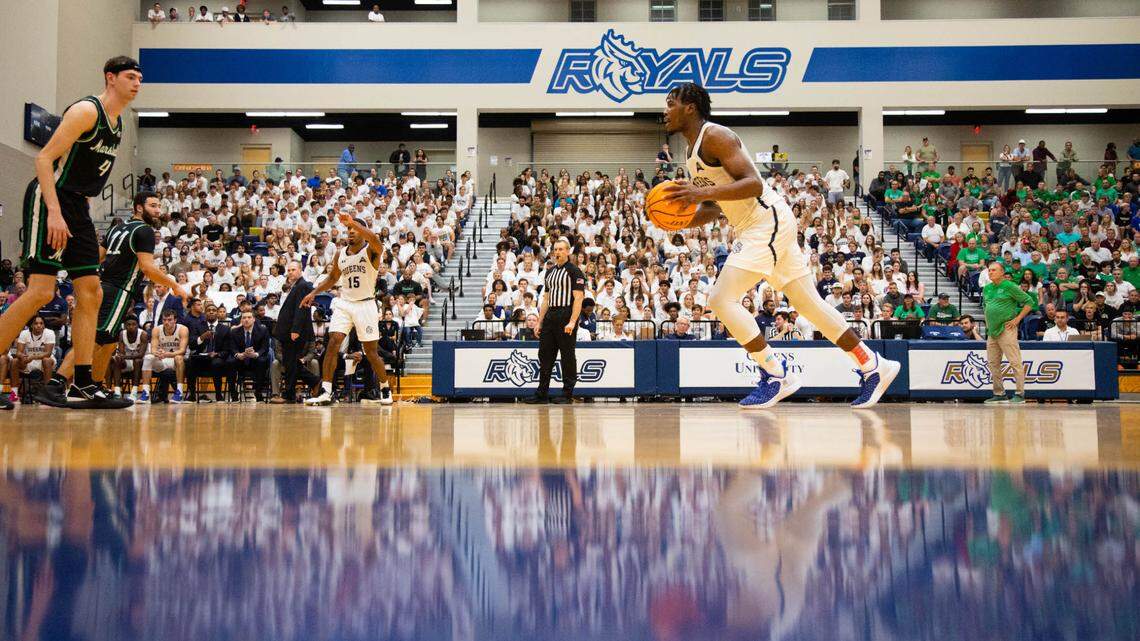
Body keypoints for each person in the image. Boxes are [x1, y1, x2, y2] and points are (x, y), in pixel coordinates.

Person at [659, 83, 899, 409]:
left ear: (689, 107)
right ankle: (873, 365)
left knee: (720, 298)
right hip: (757, 226)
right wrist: (680, 221)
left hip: (765, 222)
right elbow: (718, 207)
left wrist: (697, 194)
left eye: (670, 103)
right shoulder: (690, 155)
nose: (665, 110)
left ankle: (776, 374)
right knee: (811, 306)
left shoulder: (716, 136)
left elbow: (754, 183)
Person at [0, 56, 141, 410]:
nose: (137, 83)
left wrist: (76, 216)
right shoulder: (85, 111)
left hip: (78, 207)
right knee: (40, 293)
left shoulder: (118, 122)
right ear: (111, 78)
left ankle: (83, 383)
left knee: (90, 293)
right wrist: (54, 212)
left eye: (140, 78)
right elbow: (44, 159)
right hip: (52, 199)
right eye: (130, 77)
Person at [39, 192, 186, 408]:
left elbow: (97, 257)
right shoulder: (144, 230)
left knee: (108, 342)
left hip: (104, 287)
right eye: (153, 205)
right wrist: (175, 285)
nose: (158, 210)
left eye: (159, 206)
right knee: (97, 339)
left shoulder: (116, 228)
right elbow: (147, 267)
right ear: (138, 208)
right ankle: (55, 383)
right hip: (119, 290)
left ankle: (94, 387)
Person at [302, 214, 393, 406]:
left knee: (371, 352)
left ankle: (385, 389)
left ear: (362, 232)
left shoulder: (371, 251)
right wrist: (314, 293)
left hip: (366, 304)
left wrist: (353, 222)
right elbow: (333, 278)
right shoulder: (340, 254)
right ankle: (326, 391)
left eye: (355, 229)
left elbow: (376, 239)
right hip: (345, 303)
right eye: (348, 229)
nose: (350, 232)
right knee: (333, 342)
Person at [524, 238, 585, 404]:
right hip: (551, 315)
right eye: (555, 249)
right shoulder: (550, 272)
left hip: (566, 314)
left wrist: (572, 321)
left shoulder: (575, 272)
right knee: (544, 355)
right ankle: (542, 393)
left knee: (567, 355)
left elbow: (578, 299)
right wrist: (539, 321)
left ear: (568, 252)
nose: (557, 252)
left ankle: (567, 393)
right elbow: (546, 299)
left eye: (560, 249)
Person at [982, 261, 1036, 404]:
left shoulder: (1010, 286)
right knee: (993, 363)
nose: (990, 272)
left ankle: (1020, 393)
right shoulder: (986, 288)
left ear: (1002, 272)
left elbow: (1029, 301)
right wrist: (988, 324)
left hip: (1007, 329)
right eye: (989, 270)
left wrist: (1017, 319)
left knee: (1014, 361)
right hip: (992, 331)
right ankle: (999, 393)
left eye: (994, 270)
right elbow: (986, 307)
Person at [272, 261, 319, 403]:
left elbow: (301, 309)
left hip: (294, 332)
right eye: (289, 270)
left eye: (293, 269)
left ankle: (290, 394)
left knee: (291, 363)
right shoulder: (297, 286)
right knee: (291, 363)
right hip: (289, 331)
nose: (290, 272)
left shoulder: (303, 285)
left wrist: (295, 330)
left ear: (300, 270)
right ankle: (313, 382)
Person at [227, 310, 269, 401]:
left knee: (262, 361)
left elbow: (265, 348)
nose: (246, 320)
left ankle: (258, 392)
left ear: (254, 319)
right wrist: (238, 354)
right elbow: (232, 348)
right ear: (241, 320)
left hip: (255, 360)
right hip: (240, 361)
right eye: (244, 318)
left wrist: (256, 354)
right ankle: (233, 394)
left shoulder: (262, 330)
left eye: (249, 317)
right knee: (230, 362)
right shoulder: (234, 331)